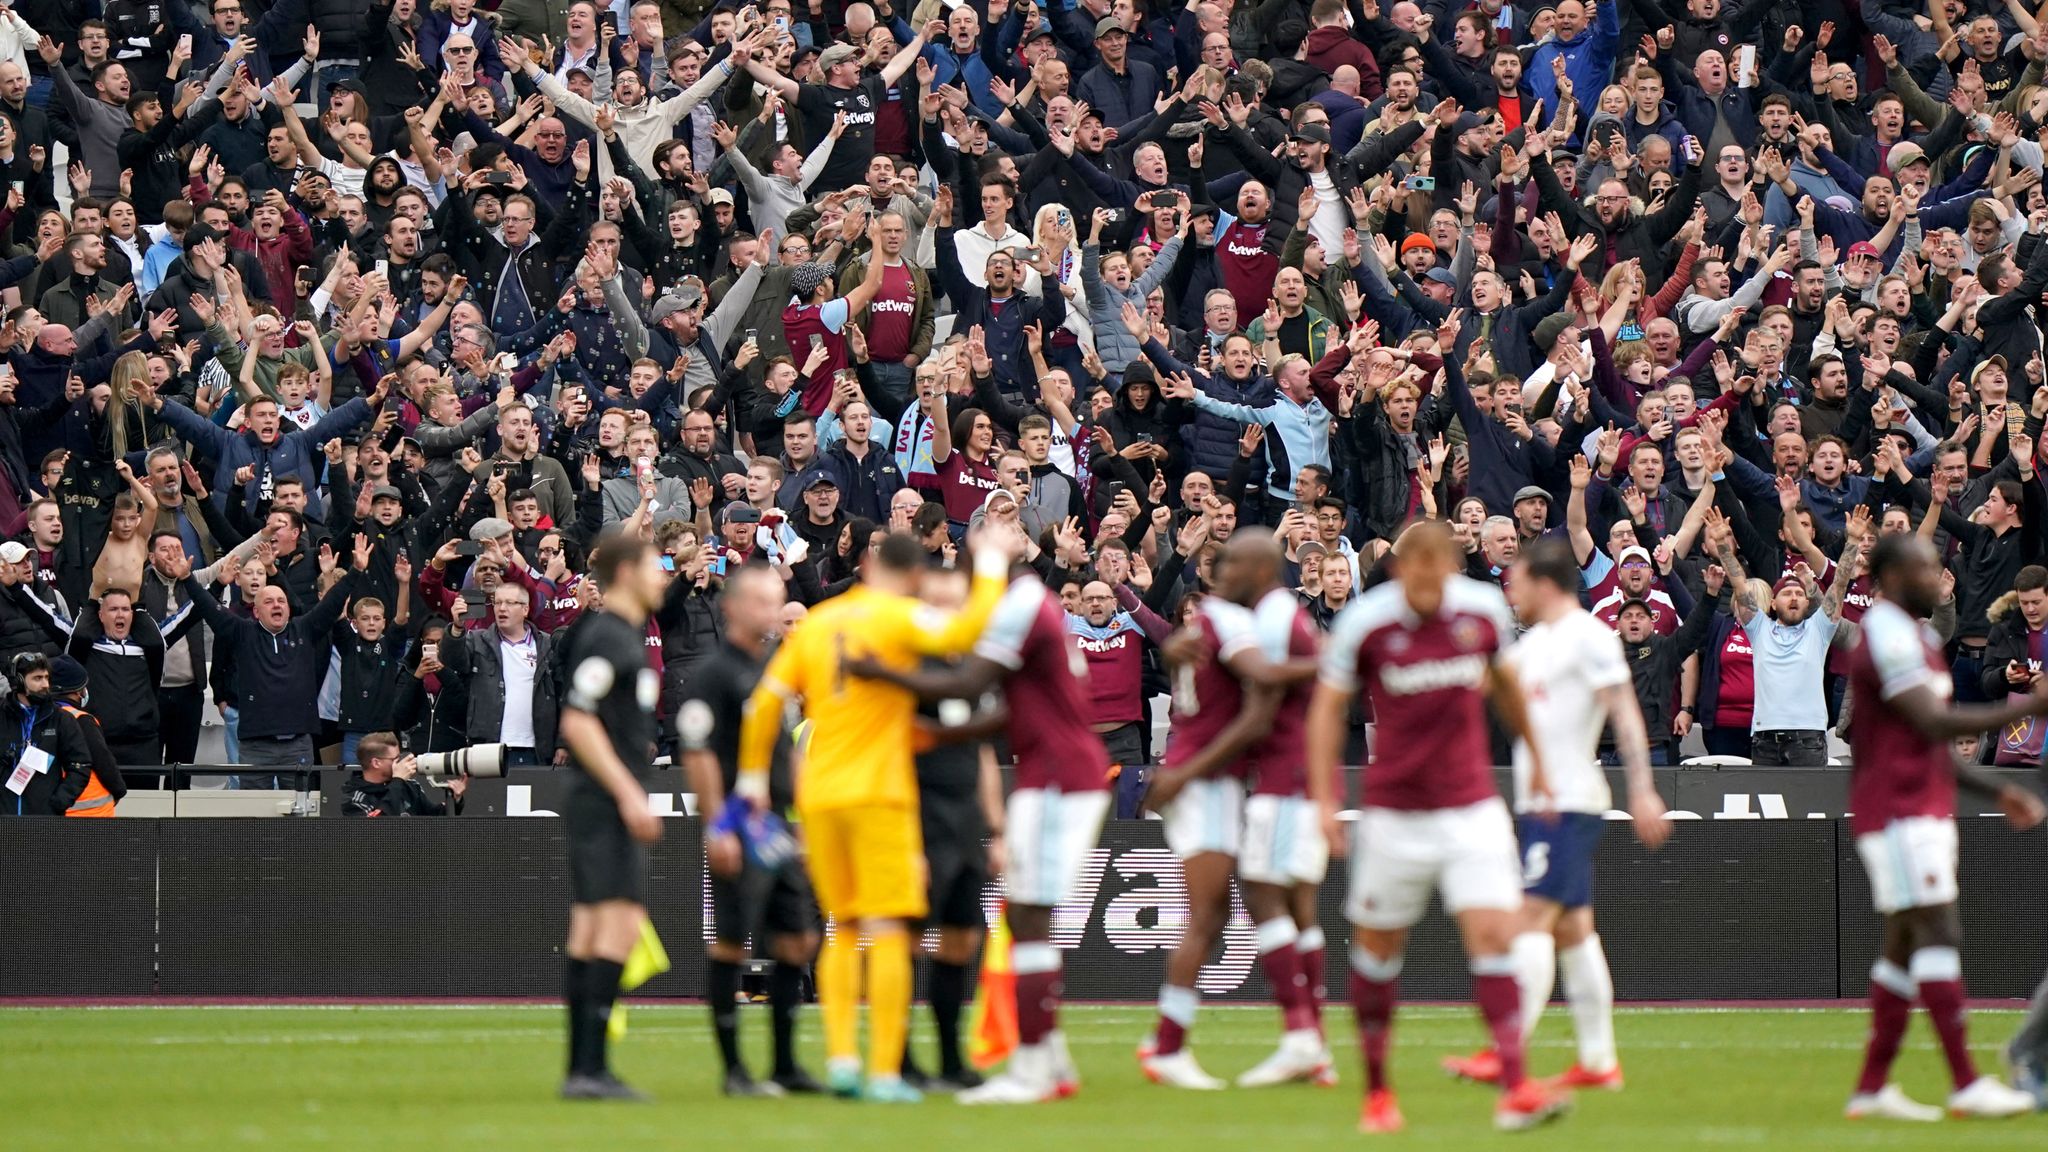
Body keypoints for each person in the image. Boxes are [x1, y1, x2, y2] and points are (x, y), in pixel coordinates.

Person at [736, 530, 1018, 1102]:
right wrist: (990, 567)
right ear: (912, 576)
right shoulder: (897, 618)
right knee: (888, 928)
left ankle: (842, 1059)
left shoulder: (817, 622)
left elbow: (765, 702)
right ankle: (885, 1071)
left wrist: (749, 781)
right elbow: (968, 631)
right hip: (881, 793)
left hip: (819, 794)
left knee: (842, 927)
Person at [1306, 521, 1569, 1133]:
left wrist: (1541, 762)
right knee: (1377, 953)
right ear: (1400, 570)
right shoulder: (1365, 622)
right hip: (1393, 814)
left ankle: (1515, 1085)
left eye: (1439, 569)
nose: (1428, 581)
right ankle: (1376, 1093)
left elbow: (1506, 688)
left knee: (1494, 937)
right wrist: (1324, 799)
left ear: (1452, 566)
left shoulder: (1480, 612)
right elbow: (1326, 710)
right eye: (1416, 570)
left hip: (1470, 806)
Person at [844, 534, 1111, 1105]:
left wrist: (876, 674)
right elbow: (1004, 713)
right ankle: (1034, 1060)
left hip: (1045, 782)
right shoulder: (1026, 614)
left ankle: (1032, 1067)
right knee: (955, 928)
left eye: (959, 594)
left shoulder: (1006, 619)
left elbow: (973, 693)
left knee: (1022, 920)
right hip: (961, 798)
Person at [1442, 537, 1672, 1090]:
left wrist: (1642, 789)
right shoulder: (1533, 644)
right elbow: (1486, 685)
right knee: (1573, 932)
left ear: (1544, 584)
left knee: (1531, 921)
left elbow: (1624, 712)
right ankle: (1598, 1063)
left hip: (1569, 801)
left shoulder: (1590, 638)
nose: (1510, 592)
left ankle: (1507, 1049)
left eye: (1517, 581)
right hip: (1541, 803)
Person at [1840, 534, 2045, 1121]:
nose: (1939, 576)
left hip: (1920, 805)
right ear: (1894, 576)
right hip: (1899, 810)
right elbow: (1933, 722)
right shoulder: (1884, 633)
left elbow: (1930, 745)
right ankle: (1964, 1082)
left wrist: (1998, 788)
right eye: (1927, 567)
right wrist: (2026, 708)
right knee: (1940, 931)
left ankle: (1872, 1088)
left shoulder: (1920, 639)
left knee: (1903, 947)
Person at [676, 564, 822, 1098]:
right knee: (734, 944)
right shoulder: (716, 673)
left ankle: (784, 1064)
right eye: (764, 602)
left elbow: (785, 750)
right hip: (740, 821)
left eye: (776, 601)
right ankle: (735, 1069)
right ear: (734, 606)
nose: (772, 612)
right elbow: (698, 752)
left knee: (798, 938)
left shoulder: (772, 670)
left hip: (778, 824)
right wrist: (718, 825)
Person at [555, 537, 668, 1101]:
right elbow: (577, 722)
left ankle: (583, 1069)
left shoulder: (623, 636)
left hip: (599, 796)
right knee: (617, 927)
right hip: (602, 798)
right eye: (656, 566)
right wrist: (628, 793)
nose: (664, 576)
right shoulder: (608, 636)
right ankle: (590, 1068)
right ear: (626, 572)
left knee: (592, 928)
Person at [0, 652, 95, 817]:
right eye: (37, 678)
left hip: (44, 822)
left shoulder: (61, 719)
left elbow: (80, 765)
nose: (45, 684)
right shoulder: (2, 717)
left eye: (47, 678)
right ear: (19, 681)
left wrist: (57, 803)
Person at [339, 730, 465, 817]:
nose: (400, 763)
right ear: (376, 763)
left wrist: (454, 801)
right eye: (395, 759)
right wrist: (397, 781)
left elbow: (433, 817)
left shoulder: (409, 786)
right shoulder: (355, 799)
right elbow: (375, 830)